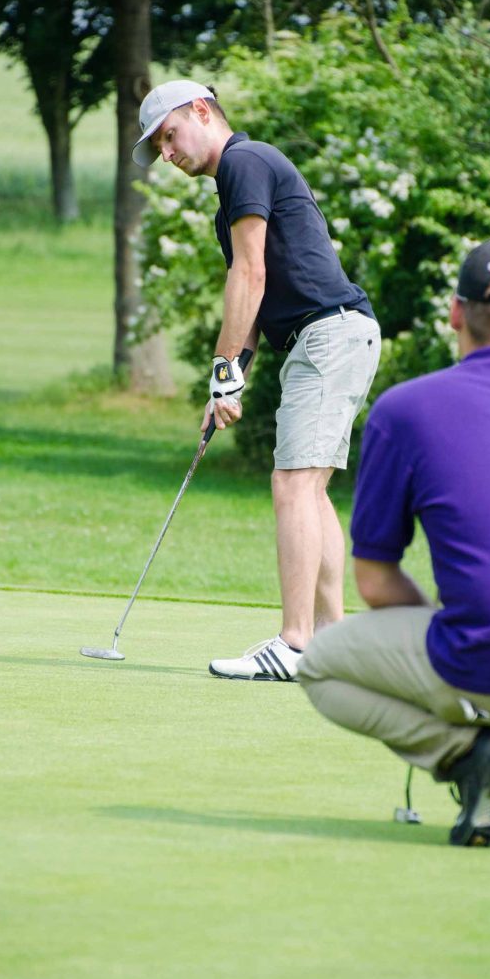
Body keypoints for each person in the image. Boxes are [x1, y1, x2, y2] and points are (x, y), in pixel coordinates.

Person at [296, 236, 490, 848]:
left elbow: (375, 580)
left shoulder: (408, 408)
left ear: (455, 313)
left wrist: (461, 627)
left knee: (321, 664)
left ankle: (474, 756)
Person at [132, 80, 381, 681]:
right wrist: (228, 381)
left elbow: (251, 276)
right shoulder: (232, 196)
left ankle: (295, 643)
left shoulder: (243, 160)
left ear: (200, 110)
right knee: (308, 488)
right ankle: (331, 642)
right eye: (159, 149)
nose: (168, 154)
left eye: (169, 136)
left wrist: (223, 373)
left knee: (292, 484)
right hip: (330, 337)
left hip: (328, 334)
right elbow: (251, 309)